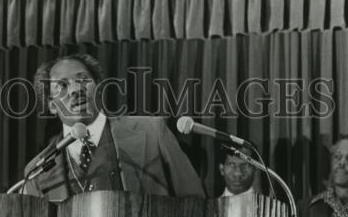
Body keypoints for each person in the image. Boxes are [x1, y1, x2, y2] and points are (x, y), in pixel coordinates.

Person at [20, 53, 209, 201]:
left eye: (83, 79)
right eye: (62, 85)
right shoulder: (37, 170)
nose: (76, 89)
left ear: (99, 88)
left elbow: (195, 206)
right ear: (51, 105)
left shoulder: (152, 132)